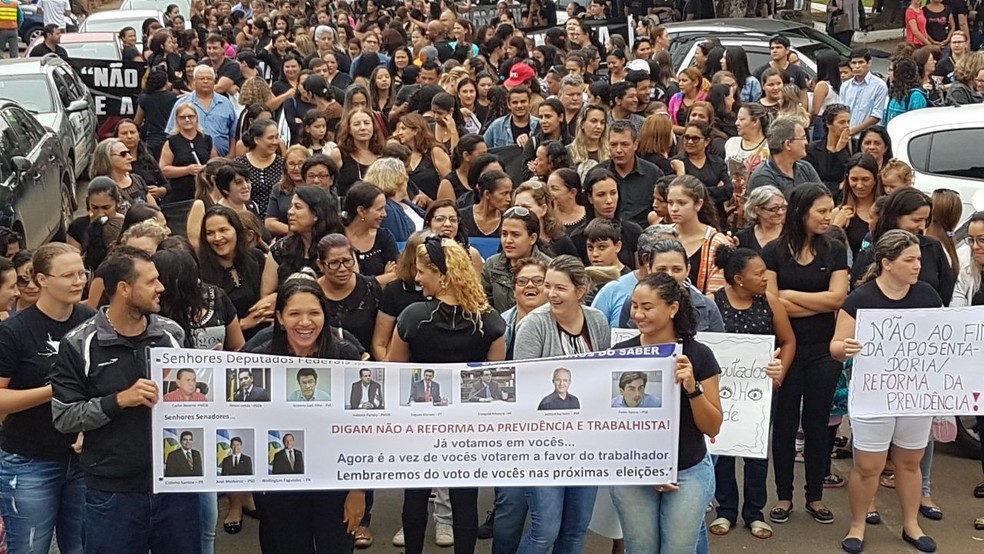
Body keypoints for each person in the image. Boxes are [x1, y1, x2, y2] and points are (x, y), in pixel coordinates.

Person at [50, 246, 201, 553]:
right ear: (124, 289)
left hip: (175, 489)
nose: (161, 287)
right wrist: (118, 400)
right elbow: (64, 417)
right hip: (113, 493)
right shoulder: (79, 343)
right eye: (151, 281)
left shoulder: (172, 335)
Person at [388, 236, 506, 554]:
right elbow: (493, 387)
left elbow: (392, 372)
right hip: (466, 427)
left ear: (442, 275)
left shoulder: (413, 317)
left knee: (415, 495)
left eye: (422, 271)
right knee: (464, 498)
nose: (416, 277)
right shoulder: (491, 322)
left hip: (419, 424)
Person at [830, 230, 942, 554]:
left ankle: (911, 524)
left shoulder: (928, 296)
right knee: (868, 466)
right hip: (874, 395)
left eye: (919, 259)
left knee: (910, 462)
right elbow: (835, 346)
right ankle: (858, 524)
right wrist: (845, 348)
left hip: (915, 395)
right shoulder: (860, 300)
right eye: (910, 260)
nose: (917, 265)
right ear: (887, 263)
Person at [247, 276, 365, 551]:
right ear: (279, 318)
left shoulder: (345, 356)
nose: (305, 322)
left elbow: (362, 428)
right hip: (280, 485)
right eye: (294, 314)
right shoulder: (260, 360)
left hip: (334, 482)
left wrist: (358, 491)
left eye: (314, 313)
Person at [610, 272, 723, 552]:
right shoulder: (620, 354)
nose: (638, 314)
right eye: (635, 306)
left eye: (647, 307)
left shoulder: (699, 355)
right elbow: (610, 425)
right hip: (633, 472)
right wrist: (646, 467)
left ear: (673, 308)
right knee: (640, 548)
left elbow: (712, 427)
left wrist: (691, 387)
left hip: (688, 470)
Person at [0, 244, 94, 554]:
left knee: (81, 547)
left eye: (82, 273)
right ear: (41, 279)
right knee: (29, 548)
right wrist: (56, 389)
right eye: (68, 275)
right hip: (30, 461)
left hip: (83, 459)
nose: (79, 281)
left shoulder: (91, 320)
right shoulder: (14, 332)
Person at [513, 255, 610, 553]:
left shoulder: (597, 321)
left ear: (580, 292)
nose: (550, 294)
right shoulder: (533, 325)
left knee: (575, 530)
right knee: (545, 532)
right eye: (548, 286)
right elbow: (524, 387)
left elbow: (603, 375)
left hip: (586, 446)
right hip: (543, 446)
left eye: (560, 288)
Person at [763, 183, 848, 526]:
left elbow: (838, 299)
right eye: (822, 211)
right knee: (783, 423)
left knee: (817, 423)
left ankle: (815, 495)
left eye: (830, 210)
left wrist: (791, 296)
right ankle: (784, 496)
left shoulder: (835, 249)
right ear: (801, 212)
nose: (828, 217)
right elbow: (771, 304)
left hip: (824, 350)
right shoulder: (772, 252)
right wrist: (815, 303)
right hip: (786, 349)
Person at [709, 245, 796, 540]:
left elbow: (787, 342)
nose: (765, 278)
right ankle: (725, 509)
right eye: (758, 274)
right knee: (723, 449)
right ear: (738, 278)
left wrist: (779, 372)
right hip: (722, 392)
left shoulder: (770, 302)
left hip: (759, 392)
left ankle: (754, 513)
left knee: (757, 452)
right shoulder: (713, 303)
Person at [483, 207, 552, 313]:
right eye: (504, 234)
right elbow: (484, 306)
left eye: (515, 235)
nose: (508, 240)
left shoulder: (550, 268)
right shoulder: (491, 265)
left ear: (532, 238)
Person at [166, 65, 239, 157]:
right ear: (194, 82)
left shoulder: (226, 103)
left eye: (209, 78)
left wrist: (231, 155)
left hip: (223, 160)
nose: (205, 81)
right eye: (201, 78)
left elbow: (234, 133)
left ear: (214, 81)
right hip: (189, 162)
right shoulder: (182, 103)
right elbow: (171, 133)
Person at [748, 117, 821, 195]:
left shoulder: (806, 167)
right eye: (803, 138)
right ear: (788, 144)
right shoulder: (762, 177)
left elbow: (824, 198)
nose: (806, 142)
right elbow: (778, 206)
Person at [160, 103, 216, 203]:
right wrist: (187, 170)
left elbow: (215, 164)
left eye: (190, 116)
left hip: (205, 191)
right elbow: (164, 169)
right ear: (177, 120)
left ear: (197, 118)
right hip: (180, 194)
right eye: (182, 117)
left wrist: (205, 169)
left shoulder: (206, 139)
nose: (187, 120)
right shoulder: (171, 141)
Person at [90, 138, 157, 214]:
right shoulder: (101, 187)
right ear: (107, 158)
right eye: (123, 154)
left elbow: (156, 211)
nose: (130, 157)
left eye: (129, 153)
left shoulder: (137, 179)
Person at [805, 104, 852, 201]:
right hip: (819, 198)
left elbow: (851, 173)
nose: (846, 126)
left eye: (848, 122)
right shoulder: (812, 149)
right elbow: (810, 180)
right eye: (842, 122)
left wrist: (840, 152)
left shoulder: (854, 147)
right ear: (829, 124)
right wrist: (837, 186)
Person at [840, 49, 889, 140]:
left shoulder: (879, 86)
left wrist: (852, 131)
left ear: (869, 63)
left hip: (867, 138)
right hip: (847, 137)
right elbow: (841, 112)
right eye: (854, 63)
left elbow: (876, 116)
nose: (857, 66)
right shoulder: (845, 86)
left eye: (861, 62)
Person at [735, 185, 786, 253]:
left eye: (783, 207)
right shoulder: (743, 237)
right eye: (774, 209)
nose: (780, 212)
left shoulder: (792, 233)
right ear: (757, 210)